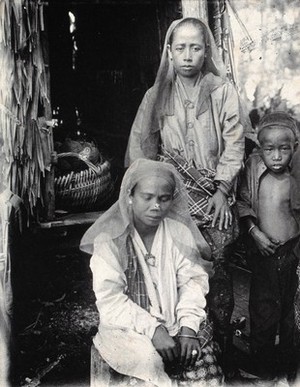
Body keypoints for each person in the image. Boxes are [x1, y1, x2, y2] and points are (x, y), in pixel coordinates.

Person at [125, 16, 245, 367]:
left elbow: (235, 143)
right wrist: (149, 193)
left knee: (217, 272)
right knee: (177, 272)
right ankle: (184, 353)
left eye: (195, 47)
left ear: (206, 51)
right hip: (173, 199)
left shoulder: (222, 90)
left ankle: (221, 352)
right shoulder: (156, 94)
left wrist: (222, 189)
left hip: (214, 197)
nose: (188, 55)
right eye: (181, 48)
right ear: (170, 52)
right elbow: (141, 147)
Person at [80, 159, 223, 386]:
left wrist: (187, 327)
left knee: (205, 375)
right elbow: (110, 300)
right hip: (128, 329)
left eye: (164, 199)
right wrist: (154, 330)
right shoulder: (110, 240)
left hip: (177, 321)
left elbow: (192, 282)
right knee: (149, 367)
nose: (156, 206)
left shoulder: (179, 233)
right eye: (147, 197)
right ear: (130, 196)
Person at [237, 111, 300, 381]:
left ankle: (288, 369)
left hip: (292, 252)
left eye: (284, 149)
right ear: (259, 148)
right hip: (263, 252)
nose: (276, 157)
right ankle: (262, 368)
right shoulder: (253, 168)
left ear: (294, 148)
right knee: (263, 310)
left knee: (290, 313)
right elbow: (242, 203)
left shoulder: (297, 173)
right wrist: (254, 233)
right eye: (269, 149)